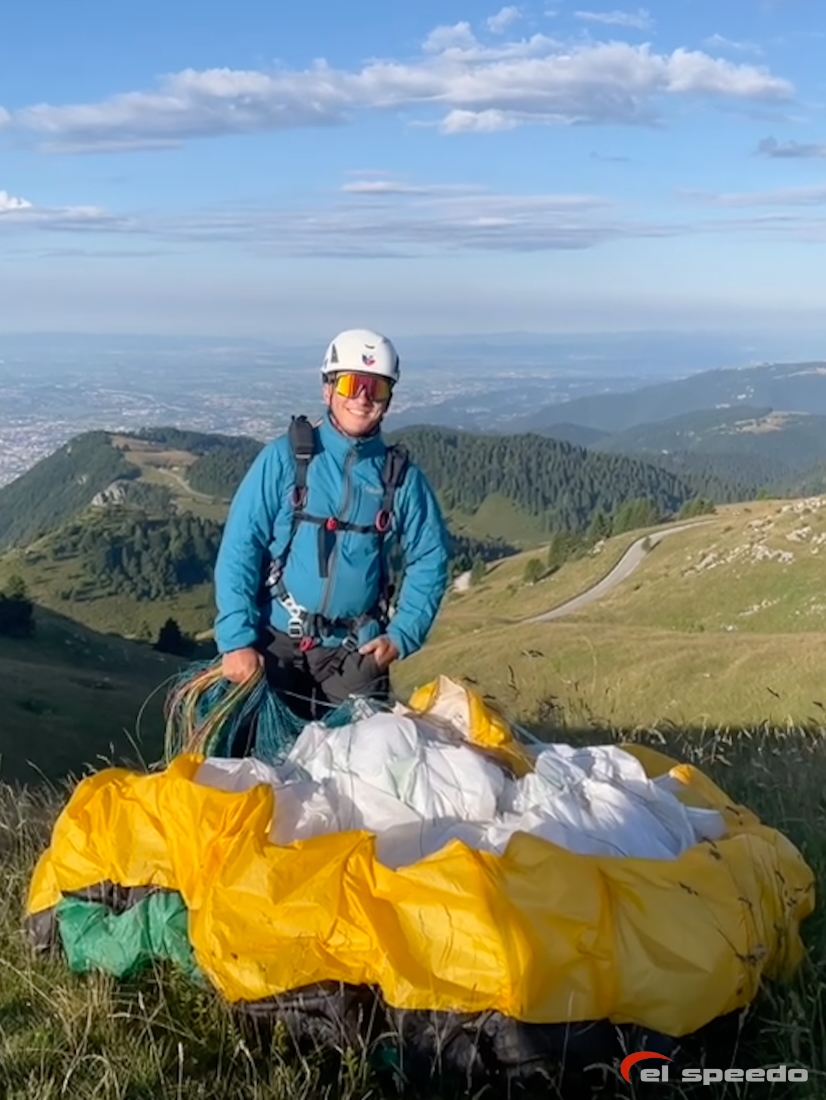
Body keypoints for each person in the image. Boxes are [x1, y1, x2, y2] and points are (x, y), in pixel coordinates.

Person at [213, 327, 450, 728]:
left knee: (357, 763)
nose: (363, 397)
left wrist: (402, 635)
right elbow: (241, 546)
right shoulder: (284, 459)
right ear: (328, 390)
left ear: (388, 399)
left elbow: (431, 557)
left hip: (357, 656)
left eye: (376, 388)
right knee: (258, 759)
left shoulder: (401, 479)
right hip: (275, 645)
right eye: (351, 384)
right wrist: (236, 640)